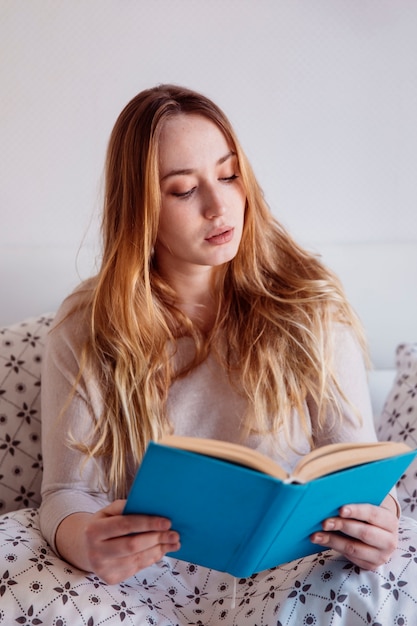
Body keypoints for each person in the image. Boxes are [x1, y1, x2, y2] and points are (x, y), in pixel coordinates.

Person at [38, 84, 403, 621]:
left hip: (290, 574)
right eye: (184, 189)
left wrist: (382, 517)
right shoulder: (86, 327)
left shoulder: (309, 304)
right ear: (140, 208)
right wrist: (84, 539)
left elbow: (356, 465)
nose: (218, 204)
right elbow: (66, 492)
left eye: (229, 175)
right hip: (140, 586)